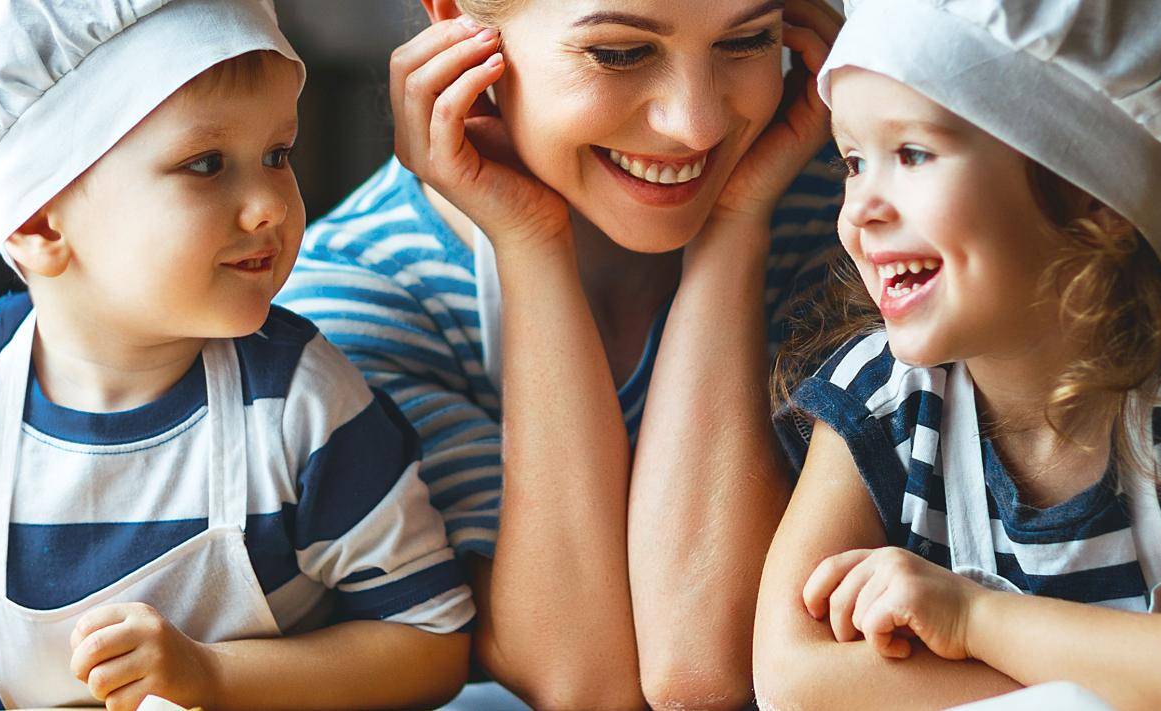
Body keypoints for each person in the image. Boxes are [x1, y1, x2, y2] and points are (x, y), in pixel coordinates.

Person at [0, 1, 473, 709]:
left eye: (276, 155)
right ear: (38, 220)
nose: (270, 206)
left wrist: (214, 675)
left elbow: (431, 641)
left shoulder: (303, 403)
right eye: (206, 164)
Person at [753, 0, 1161, 707]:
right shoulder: (876, 399)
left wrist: (971, 616)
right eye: (854, 160)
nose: (860, 209)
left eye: (912, 153)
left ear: (1090, 196)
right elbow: (791, 673)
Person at [276, 1, 846, 706]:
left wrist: (734, 231)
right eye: (618, 53)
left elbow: (703, 664)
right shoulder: (350, 306)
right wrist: (530, 243)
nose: (696, 123)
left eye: (748, 41)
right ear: (454, 17)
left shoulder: (858, 217)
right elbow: (582, 682)